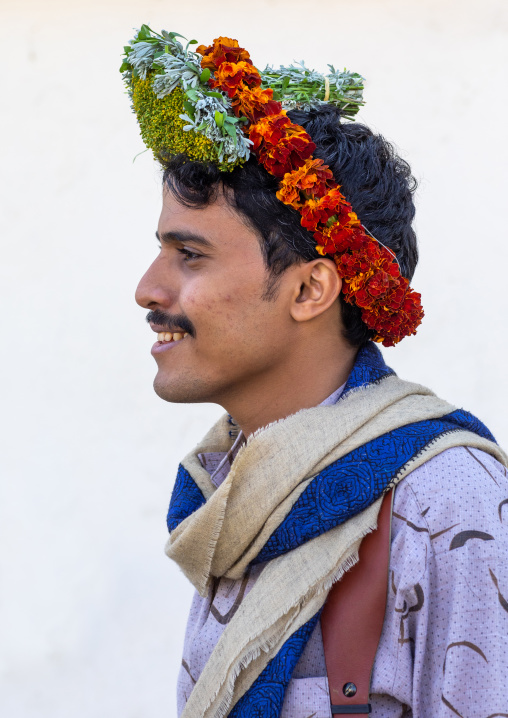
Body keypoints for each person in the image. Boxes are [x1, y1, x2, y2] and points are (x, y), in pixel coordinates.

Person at [124, 29, 508, 718]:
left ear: (310, 290)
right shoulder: (234, 494)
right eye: (163, 250)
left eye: (190, 255)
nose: (149, 290)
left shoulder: (444, 502)